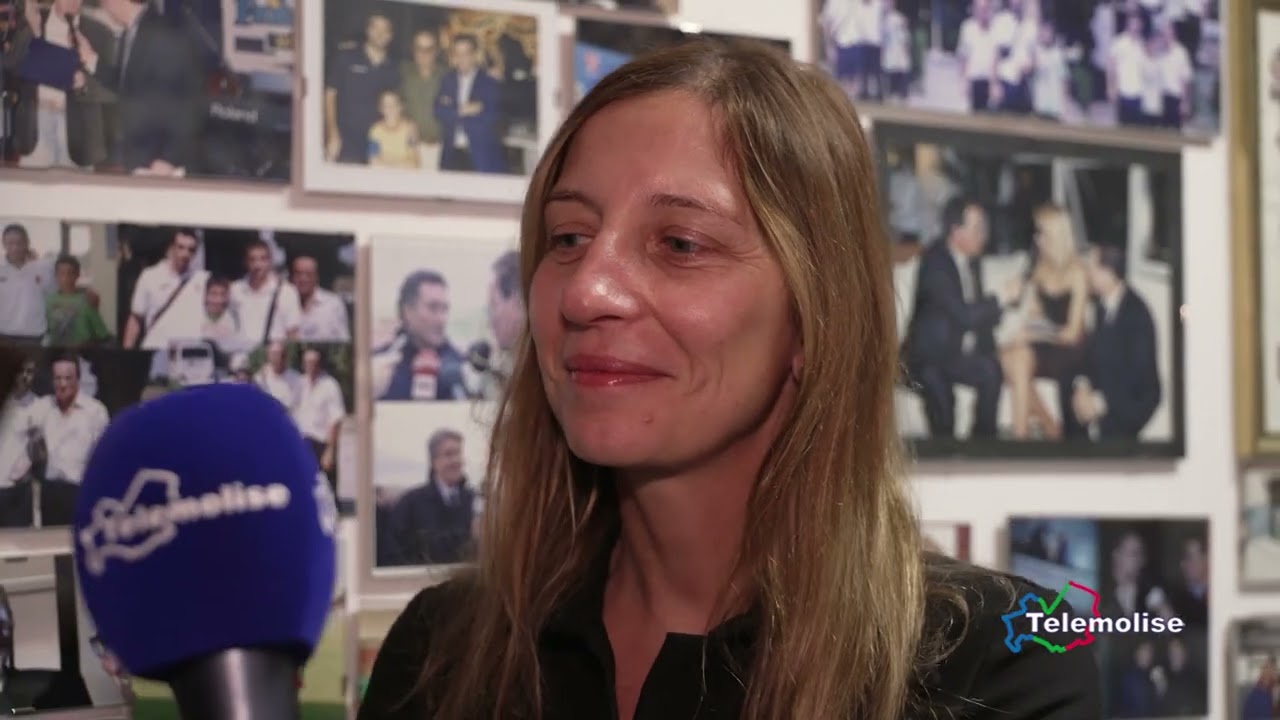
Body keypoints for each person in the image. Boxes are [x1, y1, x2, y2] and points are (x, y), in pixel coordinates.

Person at [358, 39, 1098, 719]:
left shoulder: (992, 669)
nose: (586, 291)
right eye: (569, 237)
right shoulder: (442, 653)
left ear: (813, 318)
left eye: (680, 244)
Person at [902, 197, 1023, 440]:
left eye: (984, 228)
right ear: (956, 232)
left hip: (954, 355)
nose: (984, 235)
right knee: (943, 401)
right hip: (926, 358)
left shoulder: (972, 262)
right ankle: (945, 453)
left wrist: (995, 349)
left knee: (991, 370)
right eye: (977, 228)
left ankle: (982, 443)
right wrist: (1001, 297)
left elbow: (980, 320)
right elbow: (965, 316)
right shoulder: (935, 263)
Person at [1066, 246, 1161, 441]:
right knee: (1067, 387)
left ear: (1107, 273)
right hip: (1109, 384)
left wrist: (1100, 402)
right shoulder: (1102, 305)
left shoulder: (1137, 314)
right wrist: (1082, 385)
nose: (1087, 274)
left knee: (1108, 436)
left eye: (1091, 268)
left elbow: (1137, 376)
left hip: (1133, 398)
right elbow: (1092, 354)